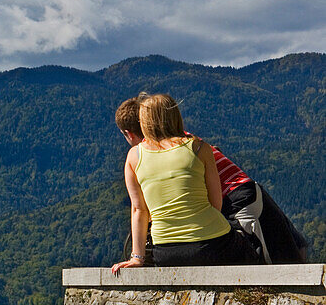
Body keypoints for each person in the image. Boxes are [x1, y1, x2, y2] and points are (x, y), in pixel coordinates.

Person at [114, 96, 307, 264]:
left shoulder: (154, 151)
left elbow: (142, 209)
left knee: (280, 260)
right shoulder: (187, 143)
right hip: (227, 198)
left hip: (239, 196)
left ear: (132, 132)